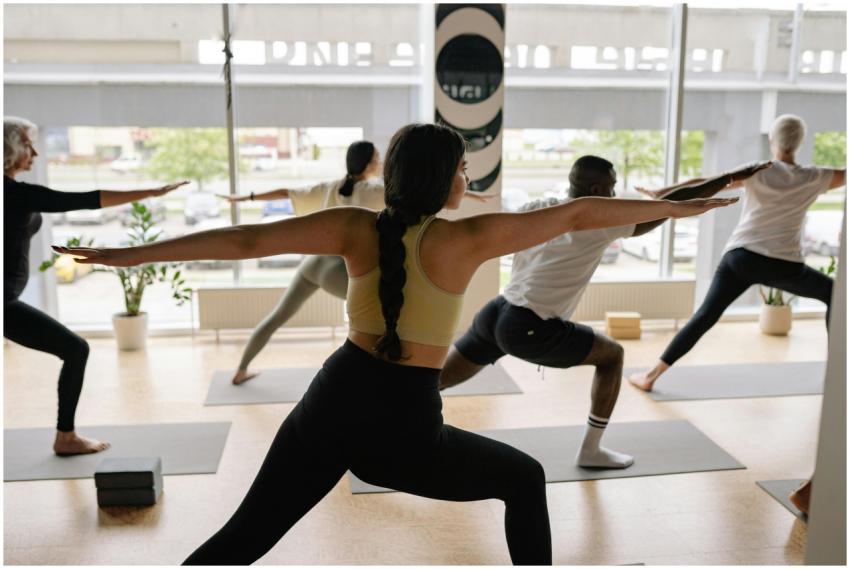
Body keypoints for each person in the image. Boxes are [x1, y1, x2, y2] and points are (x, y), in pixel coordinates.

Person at [59, 122, 736, 565]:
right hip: (405, 428)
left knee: (242, 540)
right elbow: (586, 212)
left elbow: (245, 241)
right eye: (464, 167)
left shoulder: (358, 225)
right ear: (447, 178)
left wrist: (131, 254)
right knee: (525, 478)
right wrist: (679, 207)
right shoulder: (466, 237)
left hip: (331, 399)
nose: (468, 178)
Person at [438, 156, 768, 469]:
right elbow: (671, 207)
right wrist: (728, 179)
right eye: (611, 188)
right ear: (596, 191)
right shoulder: (600, 224)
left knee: (434, 380)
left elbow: (655, 204)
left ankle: (390, 414)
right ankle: (591, 450)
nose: (614, 195)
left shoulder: (539, 207)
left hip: (497, 311)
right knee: (612, 356)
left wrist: (677, 193)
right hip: (528, 325)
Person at [218, 140, 492, 385]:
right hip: (341, 270)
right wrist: (473, 194)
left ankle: (241, 369)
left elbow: (285, 192)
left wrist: (245, 197)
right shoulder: (377, 190)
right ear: (371, 164)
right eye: (377, 158)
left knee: (278, 316)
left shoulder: (330, 186)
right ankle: (382, 379)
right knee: (387, 316)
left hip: (313, 266)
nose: (380, 162)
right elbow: (424, 188)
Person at [3, 115, 187, 455]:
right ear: (11, 147)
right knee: (76, 349)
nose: (35, 154)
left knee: (74, 350)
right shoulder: (12, 194)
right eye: (29, 145)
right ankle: (66, 437)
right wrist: (149, 191)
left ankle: (66, 436)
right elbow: (83, 200)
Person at [628, 114, 845, 392]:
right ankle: (837, 374)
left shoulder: (758, 170)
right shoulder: (815, 176)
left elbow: (709, 181)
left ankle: (650, 376)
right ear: (799, 143)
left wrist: (664, 190)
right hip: (784, 265)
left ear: (772, 140)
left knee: (705, 315)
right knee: (835, 295)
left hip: (742, 257)